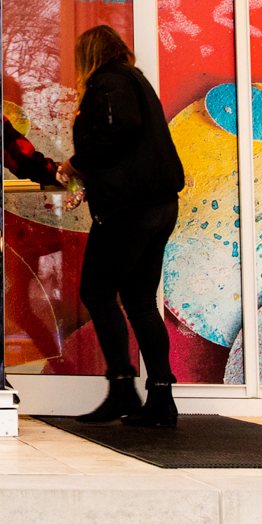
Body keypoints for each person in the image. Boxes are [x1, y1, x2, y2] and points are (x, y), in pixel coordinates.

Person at [67, 24, 186, 427]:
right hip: (158, 206)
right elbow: (133, 143)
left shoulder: (110, 81)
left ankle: (122, 386)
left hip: (129, 210)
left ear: (90, 55)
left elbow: (120, 127)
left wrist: (78, 164)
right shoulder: (134, 79)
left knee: (97, 292)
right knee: (138, 302)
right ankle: (161, 398)